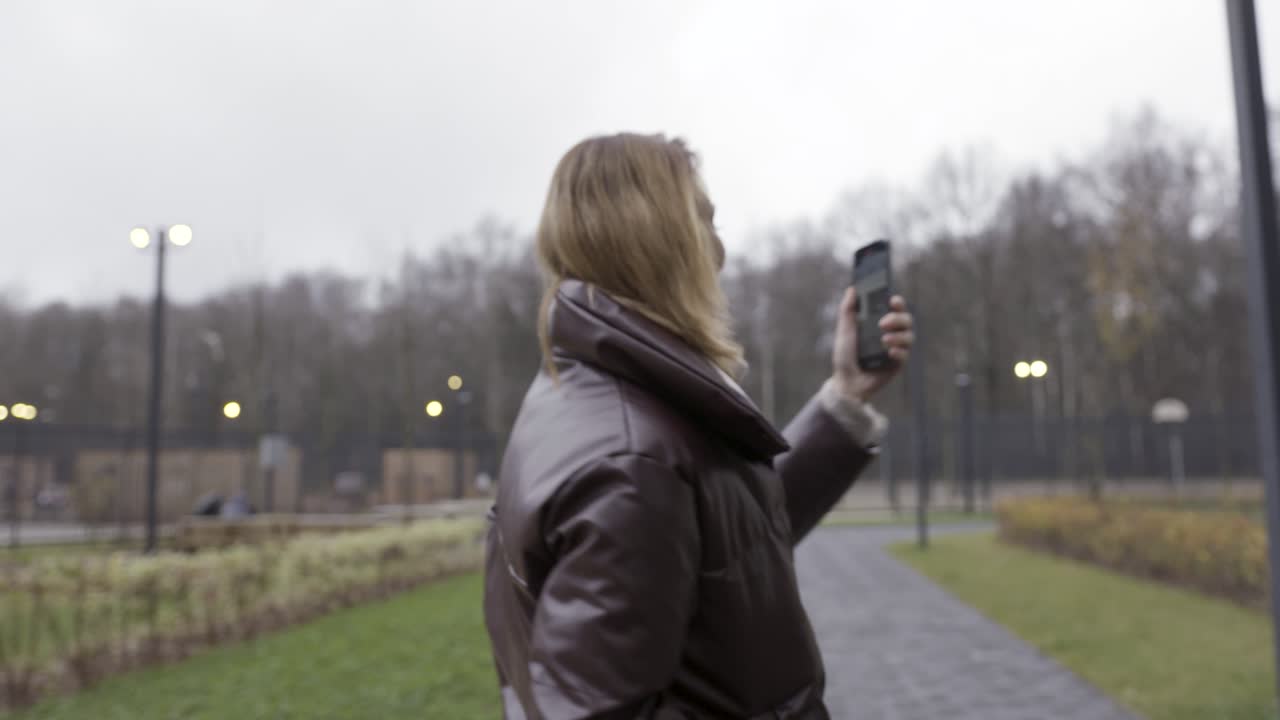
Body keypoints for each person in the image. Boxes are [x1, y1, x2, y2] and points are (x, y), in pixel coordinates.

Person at [483, 133, 914, 719]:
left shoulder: (604, 394)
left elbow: (722, 543)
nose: (718, 252)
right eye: (704, 222)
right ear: (660, 241)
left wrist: (846, 397)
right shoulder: (632, 458)